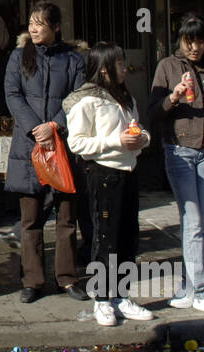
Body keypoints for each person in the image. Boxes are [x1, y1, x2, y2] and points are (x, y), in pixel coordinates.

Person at [148, 13, 204, 318]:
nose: (194, 47)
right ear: (180, 40)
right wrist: (173, 96)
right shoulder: (167, 67)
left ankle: (188, 288)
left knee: (200, 222)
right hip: (179, 150)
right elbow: (154, 113)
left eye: (198, 40)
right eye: (188, 41)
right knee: (195, 219)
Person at [3, 1, 87, 304]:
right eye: (31, 23)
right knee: (31, 219)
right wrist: (35, 128)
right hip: (29, 147)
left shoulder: (74, 60)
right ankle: (32, 281)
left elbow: (78, 98)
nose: (34, 29)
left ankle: (67, 278)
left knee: (66, 218)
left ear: (56, 27)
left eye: (40, 23)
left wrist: (55, 126)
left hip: (63, 146)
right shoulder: (18, 57)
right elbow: (12, 95)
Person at [65, 43, 154, 326]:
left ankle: (121, 295)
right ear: (104, 68)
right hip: (103, 176)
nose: (124, 68)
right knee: (105, 237)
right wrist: (117, 142)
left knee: (129, 236)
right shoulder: (86, 100)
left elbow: (137, 129)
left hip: (129, 171)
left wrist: (143, 140)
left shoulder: (124, 97)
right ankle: (102, 299)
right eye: (119, 64)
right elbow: (77, 143)